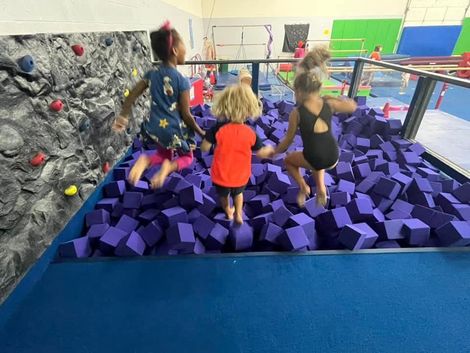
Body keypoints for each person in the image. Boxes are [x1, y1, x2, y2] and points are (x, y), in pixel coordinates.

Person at [113, 21, 204, 189]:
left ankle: (145, 160)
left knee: (163, 154)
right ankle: (167, 168)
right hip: (174, 129)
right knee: (187, 157)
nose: (186, 49)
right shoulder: (181, 80)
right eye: (184, 45)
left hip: (155, 127)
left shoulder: (152, 74)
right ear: (175, 51)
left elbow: (132, 95)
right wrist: (200, 132)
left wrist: (123, 115)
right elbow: (186, 114)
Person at [273, 46, 357, 207]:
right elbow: (352, 106)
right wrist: (332, 98)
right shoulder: (328, 103)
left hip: (315, 158)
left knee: (290, 161)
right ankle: (321, 188)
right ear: (318, 88)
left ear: (298, 92)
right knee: (316, 153)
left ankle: (304, 187)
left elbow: (287, 142)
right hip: (333, 156)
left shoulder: (296, 113)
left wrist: (274, 152)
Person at [201, 84, 274, 224]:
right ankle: (238, 214)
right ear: (249, 109)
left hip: (221, 173)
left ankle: (228, 211)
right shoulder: (250, 133)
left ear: (225, 106)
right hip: (240, 174)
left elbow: (204, 147)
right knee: (238, 194)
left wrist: (207, 141)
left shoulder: (218, 128)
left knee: (223, 195)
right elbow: (260, 152)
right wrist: (271, 151)